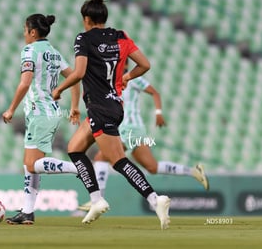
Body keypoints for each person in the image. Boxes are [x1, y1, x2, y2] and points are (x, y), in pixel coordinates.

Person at [52, 0, 171, 229]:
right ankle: (96, 200)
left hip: (99, 107)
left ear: (86, 19)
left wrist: (59, 90)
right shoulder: (120, 36)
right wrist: (127, 75)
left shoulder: (83, 39)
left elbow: (80, 73)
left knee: (118, 161)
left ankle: (155, 199)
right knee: (74, 149)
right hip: (114, 105)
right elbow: (145, 64)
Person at [78, 70, 209, 212]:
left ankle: (98, 200)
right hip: (126, 128)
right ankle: (193, 171)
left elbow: (154, 93)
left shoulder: (133, 78)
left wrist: (158, 113)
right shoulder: (110, 80)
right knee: (152, 167)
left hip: (131, 128)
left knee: (101, 157)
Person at [2, 13, 79, 225]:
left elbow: (25, 83)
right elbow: (75, 78)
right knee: (30, 164)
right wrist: (74, 107)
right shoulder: (54, 53)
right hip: (51, 112)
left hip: (39, 113)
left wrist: (10, 109)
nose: (23, 33)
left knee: (32, 163)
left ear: (32, 32)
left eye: (25, 30)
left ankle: (78, 168)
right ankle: (27, 211)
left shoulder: (29, 51)